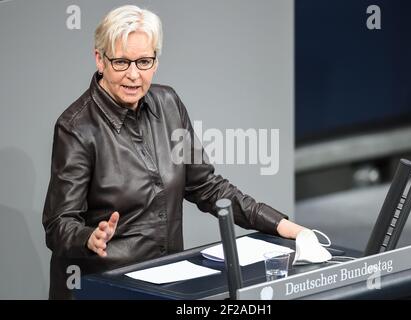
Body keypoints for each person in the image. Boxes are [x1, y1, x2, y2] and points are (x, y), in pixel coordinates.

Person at [42, 5, 307, 300]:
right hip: (104, 287)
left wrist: (279, 224)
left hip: (164, 283)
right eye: (121, 62)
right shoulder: (76, 127)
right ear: (99, 60)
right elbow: (58, 225)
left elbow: (207, 186)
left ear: (155, 61)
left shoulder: (168, 103)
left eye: (144, 61)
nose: (133, 74)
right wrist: (89, 238)